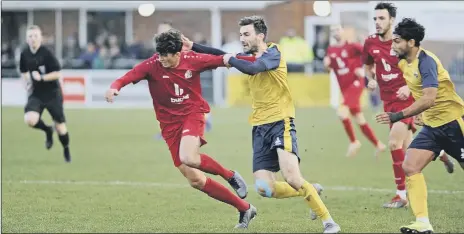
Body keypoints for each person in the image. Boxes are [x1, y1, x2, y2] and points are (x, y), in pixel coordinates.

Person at [182, 16, 340, 233]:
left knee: (292, 177)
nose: (242, 39)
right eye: (240, 35)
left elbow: (255, 68)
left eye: (246, 34)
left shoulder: (272, 54)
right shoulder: (247, 57)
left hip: (280, 122)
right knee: (265, 188)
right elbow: (220, 54)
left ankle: (329, 222)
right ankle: (311, 190)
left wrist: (230, 59)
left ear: (260, 36)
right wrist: (193, 47)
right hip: (259, 128)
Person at [105, 29, 256, 229]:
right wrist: (114, 87)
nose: (162, 60)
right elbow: (128, 76)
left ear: (178, 54)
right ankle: (245, 208)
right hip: (169, 126)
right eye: (159, 55)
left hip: (192, 114)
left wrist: (254, 61)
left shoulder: (193, 59)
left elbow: (223, 59)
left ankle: (230, 175)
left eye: (166, 57)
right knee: (195, 180)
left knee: (189, 157)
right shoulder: (152, 65)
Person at [376, 18, 464, 234]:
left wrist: (398, 115)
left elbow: (429, 98)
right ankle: (423, 222)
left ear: (411, 42)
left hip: (453, 124)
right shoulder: (404, 62)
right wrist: (420, 111)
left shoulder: (427, 61)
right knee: (410, 167)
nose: (393, 45)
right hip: (433, 127)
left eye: (397, 41)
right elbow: (419, 91)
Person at [362, 2, 454, 209]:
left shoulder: (402, 43)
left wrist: (409, 88)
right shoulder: (369, 43)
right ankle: (441, 153)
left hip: (406, 100)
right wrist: (370, 79)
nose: (377, 22)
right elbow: (368, 66)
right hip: (388, 101)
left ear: (392, 20)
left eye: (382, 18)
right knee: (406, 146)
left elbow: (416, 68)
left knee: (394, 143)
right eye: (375, 18)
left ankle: (401, 195)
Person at [324, 24, 386, 158]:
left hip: (356, 83)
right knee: (359, 118)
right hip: (345, 88)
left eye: (337, 29)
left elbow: (369, 54)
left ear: (343, 32)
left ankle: (354, 142)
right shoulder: (331, 50)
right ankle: (378, 144)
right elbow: (329, 69)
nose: (335, 32)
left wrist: (365, 70)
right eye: (333, 30)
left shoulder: (352, 46)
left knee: (341, 112)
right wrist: (326, 65)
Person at [19, 25, 71, 162]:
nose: (33, 39)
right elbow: (23, 71)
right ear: (26, 39)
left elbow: (58, 73)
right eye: (30, 36)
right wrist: (26, 82)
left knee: (61, 128)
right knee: (30, 119)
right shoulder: (24, 54)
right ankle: (48, 130)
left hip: (53, 93)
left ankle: (66, 148)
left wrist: (42, 78)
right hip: (36, 93)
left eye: (36, 36)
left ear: (41, 38)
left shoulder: (47, 53)